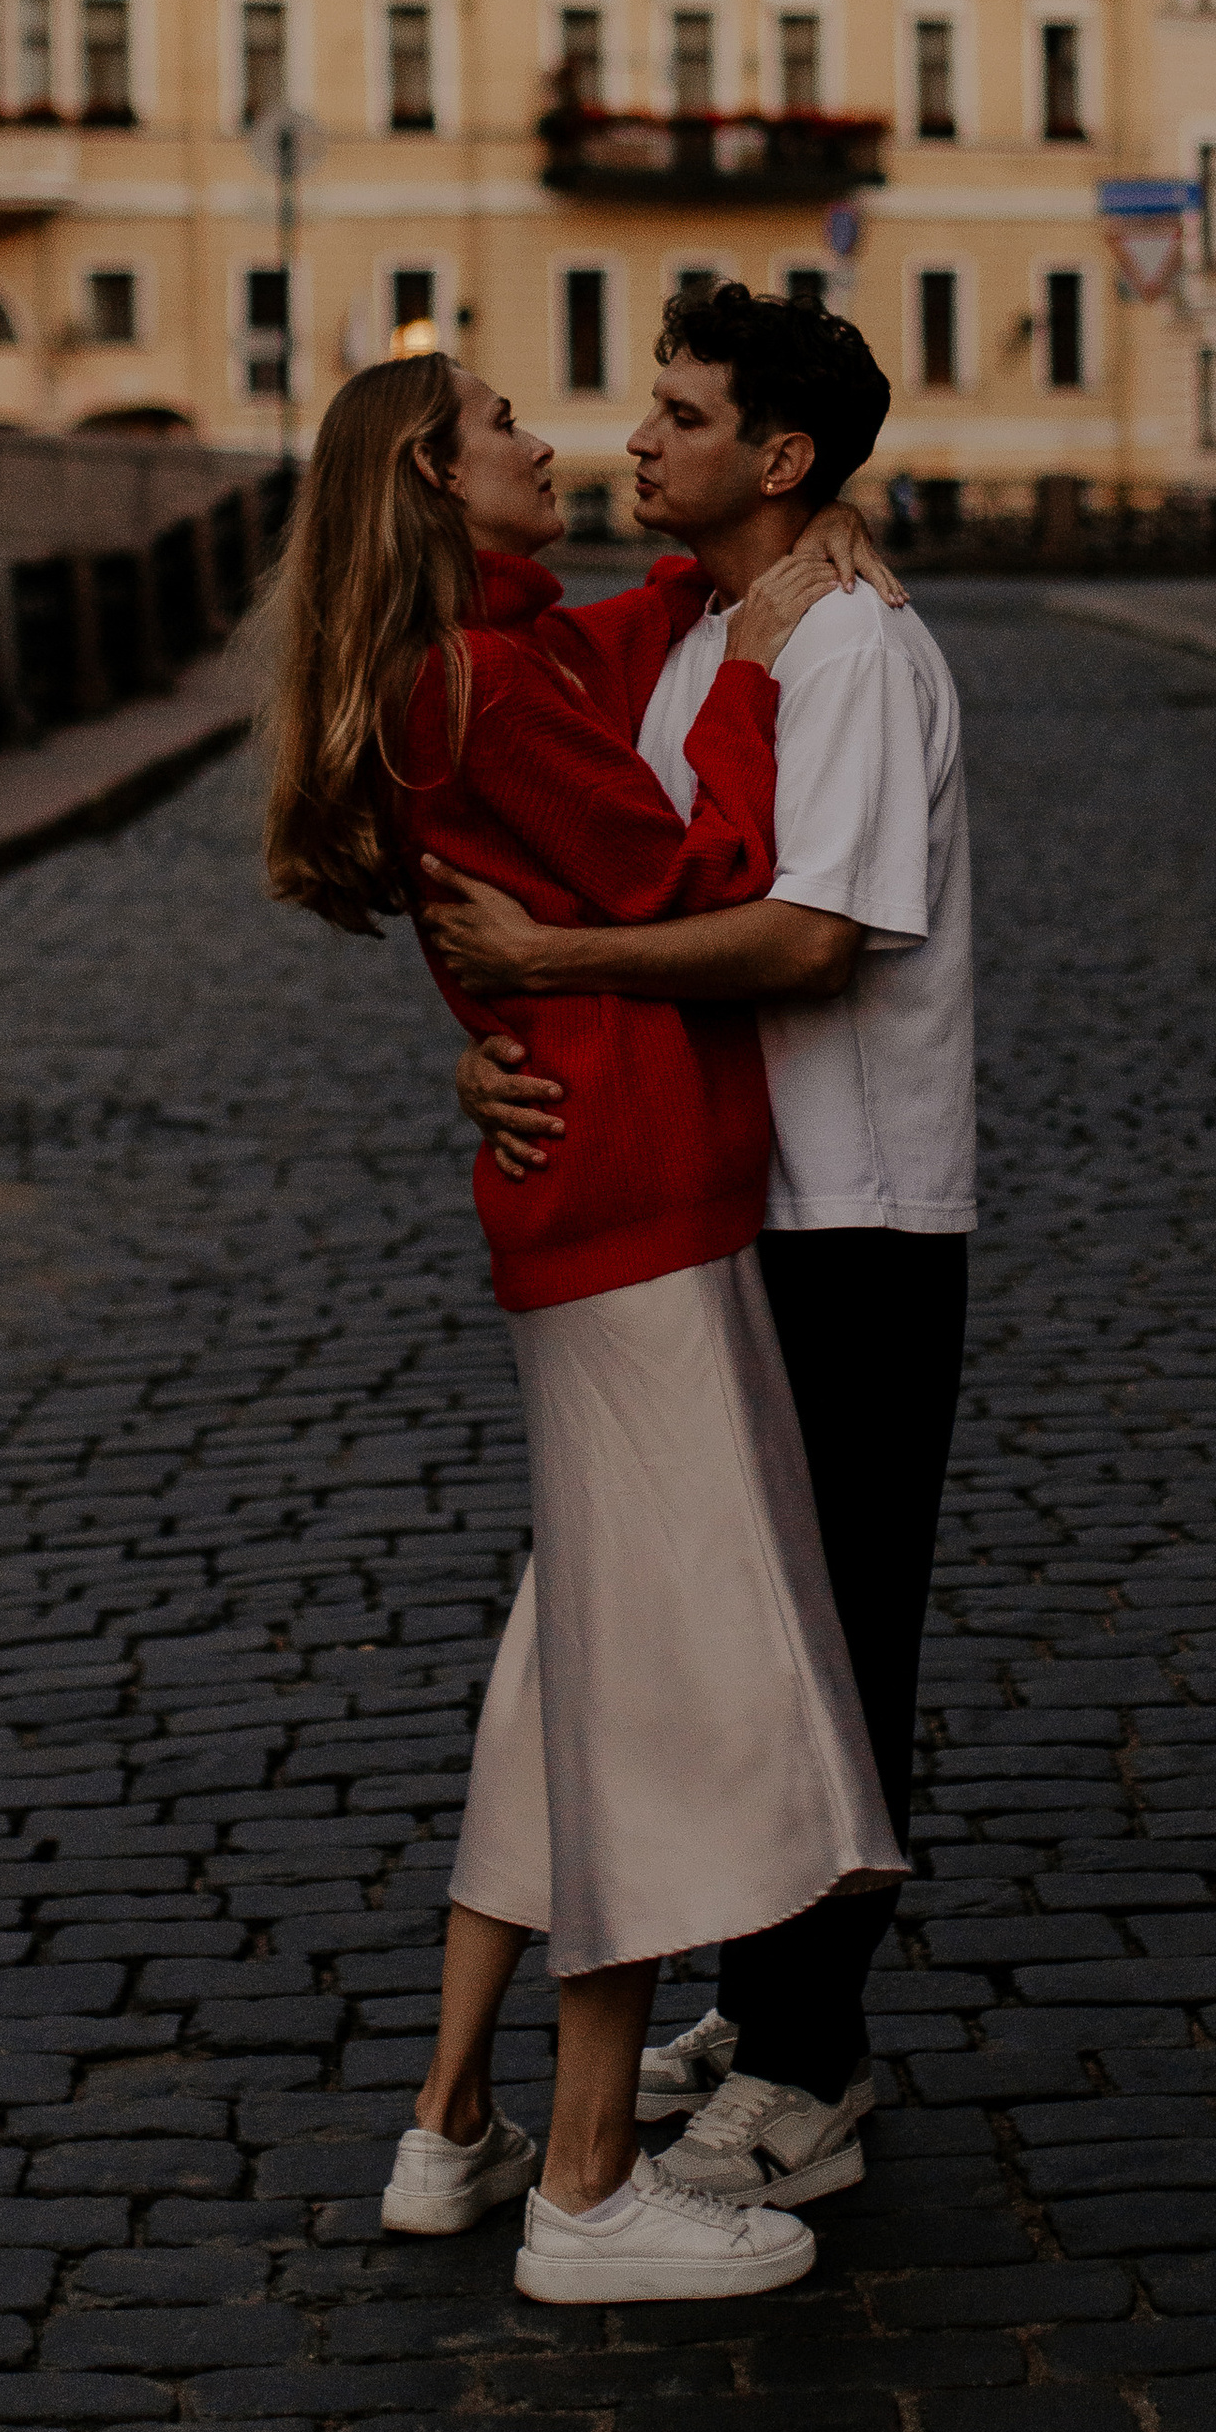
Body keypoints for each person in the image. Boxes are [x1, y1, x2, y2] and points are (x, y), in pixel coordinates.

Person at [261, 348, 906, 2308]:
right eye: (505, 432)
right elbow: (692, 874)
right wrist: (758, 685)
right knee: (647, 1696)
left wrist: (735, 585)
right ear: (439, 492)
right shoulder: (485, 682)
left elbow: (619, 639)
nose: (552, 447)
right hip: (635, 1201)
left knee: (560, 1680)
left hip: (586, 1201)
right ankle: (587, 2188)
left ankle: (450, 2126)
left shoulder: (485, 651)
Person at [430, 281, 974, 2214]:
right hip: (728, 1201)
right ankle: (765, 2008)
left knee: (837, 1635)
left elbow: (811, 937)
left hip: (857, 1210)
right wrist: (496, 1044)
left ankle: (814, 2066)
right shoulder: (695, 630)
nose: (632, 439)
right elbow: (527, 825)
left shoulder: (847, 650)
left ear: (783, 458)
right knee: (747, 1628)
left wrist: (547, 968)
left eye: (678, 414)